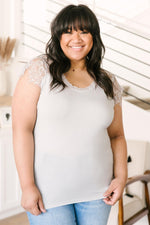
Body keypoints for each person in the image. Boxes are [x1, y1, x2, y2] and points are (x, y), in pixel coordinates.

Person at [12, 4, 127, 225]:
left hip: (98, 194)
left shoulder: (108, 82)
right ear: (57, 36)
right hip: (48, 194)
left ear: (94, 36)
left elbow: (117, 136)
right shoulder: (40, 69)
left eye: (84, 30)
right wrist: (27, 186)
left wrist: (121, 177)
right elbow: (22, 129)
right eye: (68, 31)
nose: (76, 38)